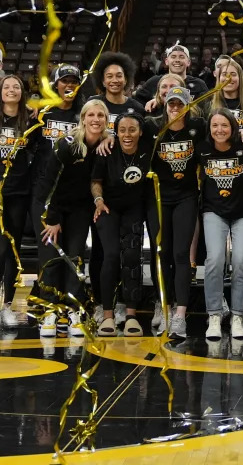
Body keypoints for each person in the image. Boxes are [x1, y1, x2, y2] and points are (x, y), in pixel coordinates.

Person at [40, 99, 110, 337]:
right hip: (53, 207)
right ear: (83, 118)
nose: (96, 119)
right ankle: (49, 310)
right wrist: (52, 218)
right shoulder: (67, 144)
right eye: (91, 115)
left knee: (75, 257)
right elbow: (50, 184)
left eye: (101, 115)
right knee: (52, 257)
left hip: (81, 210)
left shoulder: (107, 145)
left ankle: (73, 310)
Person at [142, 86, 207, 338]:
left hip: (186, 197)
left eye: (180, 104)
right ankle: (162, 305)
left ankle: (180, 314)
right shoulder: (152, 126)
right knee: (161, 253)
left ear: (188, 106)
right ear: (165, 105)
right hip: (158, 198)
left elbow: (224, 129)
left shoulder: (198, 126)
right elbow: (128, 132)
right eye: (172, 104)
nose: (176, 109)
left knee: (181, 254)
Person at [0, 75, 38, 328]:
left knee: (14, 247)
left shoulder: (32, 120)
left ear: (23, 93)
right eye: (7, 87)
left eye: (17, 87)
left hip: (19, 188)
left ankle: (8, 304)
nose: (11, 90)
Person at [28, 64, 82, 323]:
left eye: (74, 81)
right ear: (56, 85)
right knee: (49, 250)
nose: (69, 85)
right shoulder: (42, 114)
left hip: (73, 195)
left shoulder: (84, 115)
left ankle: (69, 306)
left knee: (72, 251)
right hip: (44, 194)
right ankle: (48, 305)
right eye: (64, 81)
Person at [199, 109, 243, 340]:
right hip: (214, 211)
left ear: (233, 127)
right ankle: (214, 314)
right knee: (214, 259)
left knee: (241, 260)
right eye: (215, 126)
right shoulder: (202, 147)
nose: (219, 130)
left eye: (224, 125)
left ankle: (238, 316)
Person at [92, 113, 152, 337]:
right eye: (123, 130)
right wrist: (98, 200)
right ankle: (107, 315)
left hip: (133, 208)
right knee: (111, 255)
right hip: (108, 207)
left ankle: (131, 315)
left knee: (132, 256)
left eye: (132, 130)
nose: (127, 135)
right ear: (116, 132)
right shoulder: (107, 149)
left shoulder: (148, 149)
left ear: (141, 132)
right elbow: (96, 181)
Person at [133, 43, 209, 109]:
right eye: (173, 57)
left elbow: (205, 110)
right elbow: (136, 102)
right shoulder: (154, 81)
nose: (177, 60)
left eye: (181, 57)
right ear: (166, 61)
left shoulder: (199, 84)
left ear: (188, 62)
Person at [90, 51, 144, 135]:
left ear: (126, 80)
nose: (114, 80)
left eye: (119, 76)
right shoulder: (93, 103)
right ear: (103, 82)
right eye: (109, 76)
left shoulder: (137, 108)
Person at [210, 57, 243, 129]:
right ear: (219, 78)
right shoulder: (210, 106)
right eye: (224, 74)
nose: (228, 78)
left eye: (233, 74)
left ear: (240, 78)